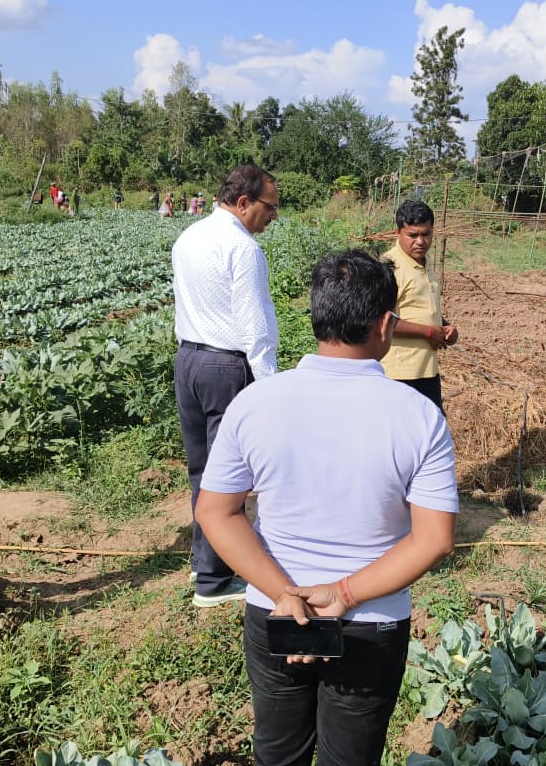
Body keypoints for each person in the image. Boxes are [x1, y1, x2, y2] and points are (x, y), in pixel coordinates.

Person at [195, 249, 458, 766]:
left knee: (278, 750)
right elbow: (433, 538)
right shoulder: (418, 417)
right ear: (386, 325)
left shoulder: (255, 403)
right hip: (371, 620)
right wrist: (342, 593)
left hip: (273, 610)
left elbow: (215, 513)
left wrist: (284, 595)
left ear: (316, 316)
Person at [172, 165, 281, 607]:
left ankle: (206, 564)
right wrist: (269, 388)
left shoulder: (188, 237)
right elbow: (254, 326)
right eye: (268, 207)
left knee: (203, 471)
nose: (272, 216)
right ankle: (215, 582)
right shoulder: (243, 247)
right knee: (229, 478)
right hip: (224, 366)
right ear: (243, 203)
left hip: (189, 360)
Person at [380, 200, 457, 410]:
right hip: (399, 373)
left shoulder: (424, 263)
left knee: (429, 433)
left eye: (426, 234)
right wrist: (428, 332)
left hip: (427, 370)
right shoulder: (389, 267)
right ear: (398, 232)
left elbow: (420, 308)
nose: (420, 241)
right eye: (413, 235)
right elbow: (380, 319)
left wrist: (445, 327)